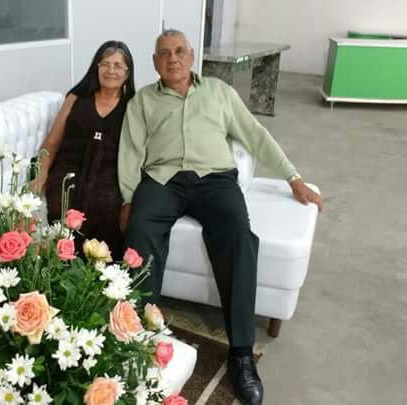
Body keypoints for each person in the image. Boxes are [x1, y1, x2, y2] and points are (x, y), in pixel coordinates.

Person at [118, 30, 323, 405]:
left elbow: (255, 134)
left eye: (179, 51)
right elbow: (131, 151)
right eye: (165, 53)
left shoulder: (219, 92)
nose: (173, 58)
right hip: (162, 181)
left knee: (239, 238)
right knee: (140, 230)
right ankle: (137, 339)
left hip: (215, 180)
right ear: (155, 62)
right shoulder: (143, 101)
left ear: (191, 55)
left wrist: (292, 177)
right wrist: (129, 199)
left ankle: (241, 354)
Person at [34, 41, 135, 258]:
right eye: (105, 64)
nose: (110, 70)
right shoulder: (75, 98)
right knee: (63, 206)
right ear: (96, 67)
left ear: (127, 73)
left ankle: (101, 270)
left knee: (105, 206)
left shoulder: (133, 106)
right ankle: (62, 265)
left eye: (118, 65)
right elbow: (51, 143)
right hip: (69, 169)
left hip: (109, 174)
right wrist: (40, 175)